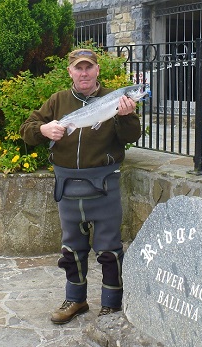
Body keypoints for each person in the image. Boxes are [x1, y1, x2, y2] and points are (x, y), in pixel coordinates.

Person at [20, 48, 141, 323]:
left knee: (110, 249)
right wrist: (42, 130)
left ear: (97, 70)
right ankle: (75, 300)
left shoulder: (117, 98)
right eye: (78, 68)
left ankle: (112, 302)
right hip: (67, 186)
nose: (83, 73)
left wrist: (126, 115)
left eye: (88, 67)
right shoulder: (58, 101)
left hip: (104, 185)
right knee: (71, 248)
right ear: (70, 72)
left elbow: (131, 136)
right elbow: (27, 129)